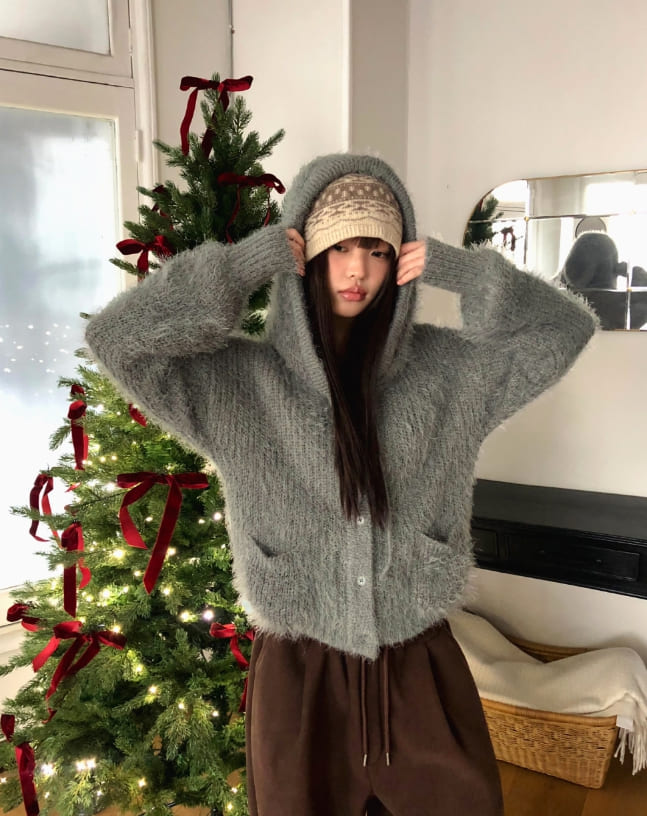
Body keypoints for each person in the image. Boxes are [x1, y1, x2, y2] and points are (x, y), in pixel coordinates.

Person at [85, 153, 598, 816]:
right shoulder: (237, 382)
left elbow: (565, 330)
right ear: (304, 255)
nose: (358, 270)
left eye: (377, 250)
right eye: (338, 247)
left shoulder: (450, 372)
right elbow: (118, 338)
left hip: (418, 665)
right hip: (300, 677)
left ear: (399, 259)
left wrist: (468, 272)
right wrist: (237, 268)